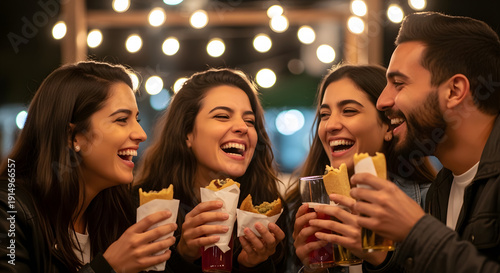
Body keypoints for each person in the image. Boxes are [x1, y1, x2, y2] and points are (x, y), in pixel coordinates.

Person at [349, 11, 500, 273]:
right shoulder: (442, 188)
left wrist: (417, 231)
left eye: (398, 83)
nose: (382, 101)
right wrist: (379, 261)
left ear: (454, 91)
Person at [0, 61, 177, 273]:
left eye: (136, 119)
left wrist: (184, 255)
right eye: (122, 119)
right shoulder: (9, 210)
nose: (141, 134)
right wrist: (108, 267)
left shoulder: (119, 211)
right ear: (72, 136)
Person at [134, 67, 289, 273]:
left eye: (249, 121)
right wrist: (183, 256)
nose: (242, 127)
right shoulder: (144, 207)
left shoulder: (269, 210)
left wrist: (252, 265)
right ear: (187, 132)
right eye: (223, 116)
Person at [287, 64, 436, 273]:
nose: (331, 125)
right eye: (324, 114)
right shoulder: (300, 210)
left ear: (388, 126)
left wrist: (383, 259)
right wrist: (314, 269)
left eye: (349, 111)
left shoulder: (430, 203)